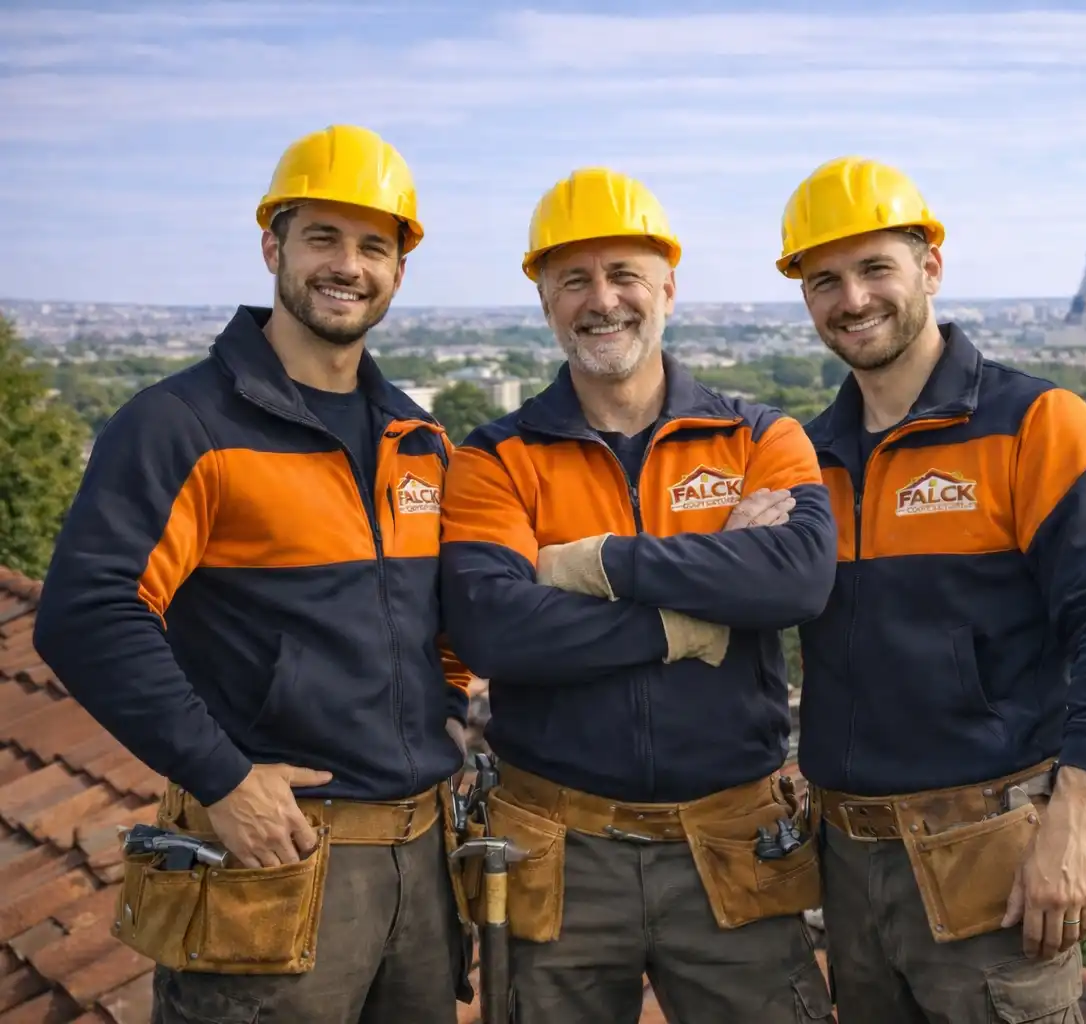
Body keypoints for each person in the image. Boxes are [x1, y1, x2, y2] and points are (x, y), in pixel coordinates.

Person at [33, 124, 476, 1023]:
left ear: (399, 270)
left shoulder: (419, 442)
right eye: (322, 238)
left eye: (374, 247)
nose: (347, 265)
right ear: (273, 245)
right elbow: (88, 612)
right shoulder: (182, 425)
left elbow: (441, 618)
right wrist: (222, 779)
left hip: (424, 862)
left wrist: (453, 709)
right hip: (275, 859)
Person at [437, 167, 837, 1023]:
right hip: (559, 848)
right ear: (545, 300)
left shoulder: (760, 435)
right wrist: (702, 599)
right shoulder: (493, 458)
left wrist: (593, 563)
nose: (602, 299)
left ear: (668, 288)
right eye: (573, 279)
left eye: (624, 274)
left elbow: (799, 578)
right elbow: (494, 630)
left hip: (736, 842)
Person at [776, 156, 1086, 1024]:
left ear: (930, 268)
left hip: (995, 855)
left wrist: (1075, 818)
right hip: (846, 863)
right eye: (824, 279)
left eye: (876, 267)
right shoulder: (807, 461)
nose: (852, 299)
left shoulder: (1039, 425)